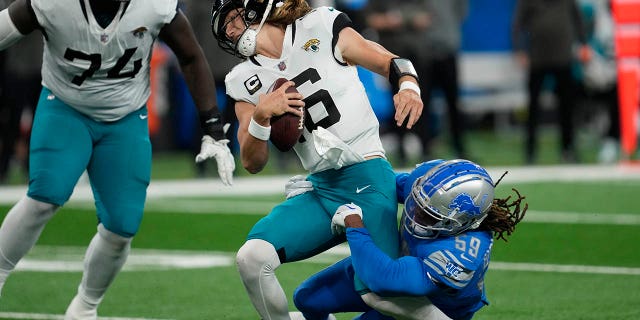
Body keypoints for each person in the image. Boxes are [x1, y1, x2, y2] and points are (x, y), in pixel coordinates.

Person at [0, 0, 235, 318]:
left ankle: (84, 307)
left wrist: (213, 126)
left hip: (125, 117)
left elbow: (190, 55)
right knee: (45, 195)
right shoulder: (51, 3)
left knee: (121, 227)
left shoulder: (155, 6)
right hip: (65, 107)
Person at [210, 0, 423, 318]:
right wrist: (262, 116)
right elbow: (252, 162)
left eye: (232, 19)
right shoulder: (243, 78)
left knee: (382, 296)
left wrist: (409, 87)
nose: (229, 31)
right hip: (322, 189)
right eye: (224, 28)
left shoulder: (320, 25)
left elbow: (390, 61)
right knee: (251, 258)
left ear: (256, 6)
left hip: (366, 176)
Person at [293, 159, 528, 320]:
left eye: (428, 215)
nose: (415, 213)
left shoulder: (461, 254)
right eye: (416, 202)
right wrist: (320, 186)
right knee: (307, 298)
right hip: (398, 262)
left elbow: (384, 278)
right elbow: (376, 185)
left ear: (463, 223)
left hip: (430, 305)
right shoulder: (429, 183)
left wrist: (355, 225)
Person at [512, 0, 591, 164]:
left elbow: (578, 18)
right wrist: (519, 49)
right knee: (533, 107)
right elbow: (518, 23)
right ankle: (530, 152)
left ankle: (568, 150)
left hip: (563, 58)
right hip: (537, 58)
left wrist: (584, 44)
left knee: (566, 107)